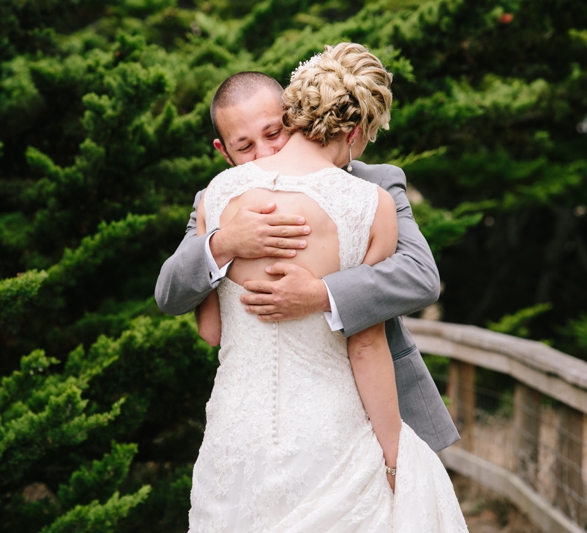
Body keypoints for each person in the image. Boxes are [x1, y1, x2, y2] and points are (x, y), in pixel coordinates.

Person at [179, 43, 468, 531]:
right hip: (331, 428)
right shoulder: (366, 204)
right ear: (356, 130)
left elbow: (211, 330)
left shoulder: (219, 194)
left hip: (235, 429)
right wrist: (395, 460)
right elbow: (367, 341)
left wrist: (316, 294)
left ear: (295, 113)